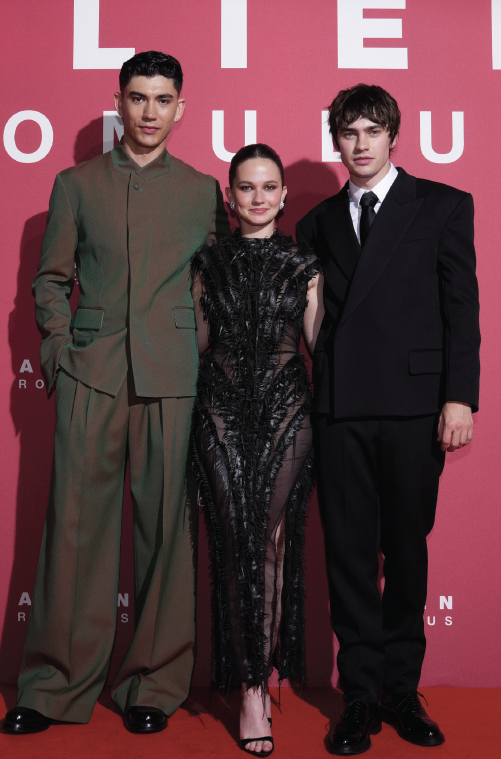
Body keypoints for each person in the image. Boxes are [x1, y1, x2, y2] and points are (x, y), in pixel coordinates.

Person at [2, 51, 229, 735]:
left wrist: (202, 349)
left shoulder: (202, 190)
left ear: (180, 108)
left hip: (172, 380)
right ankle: (51, 688)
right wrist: (58, 354)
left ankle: (153, 685)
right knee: (73, 532)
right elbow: (50, 282)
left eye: (164, 99)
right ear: (119, 103)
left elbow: (212, 282)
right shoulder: (74, 184)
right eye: (138, 98)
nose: (151, 112)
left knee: (167, 534)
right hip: (91, 375)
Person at [297, 84, 480, 755]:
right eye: (349, 133)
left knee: (405, 550)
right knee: (347, 554)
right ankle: (359, 695)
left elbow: (463, 309)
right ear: (336, 141)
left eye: (374, 130)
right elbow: (316, 322)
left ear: (393, 136)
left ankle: (401, 690)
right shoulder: (314, 223)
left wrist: (459, 397)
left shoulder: (441, 205)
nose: (362, 143)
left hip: (413, 404)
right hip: (341, 403)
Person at [191, 144, 323, 756]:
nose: (259, 198)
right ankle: (246, 676)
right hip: (219, 412)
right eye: (247, 187)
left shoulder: (305, 264)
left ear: (284, 196)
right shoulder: (206, 264)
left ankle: (255, 686)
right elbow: (195, 345)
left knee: (271, 544)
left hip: (287, 414)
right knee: (234, 540)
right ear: (230, 195)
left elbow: (319, 350)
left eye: (269, 187)